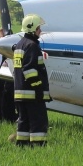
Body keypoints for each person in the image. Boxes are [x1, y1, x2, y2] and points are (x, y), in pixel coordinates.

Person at [12, 14, 50, 146]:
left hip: (20, 93)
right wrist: (39, 89)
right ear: (33, 29)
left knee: (24, 121)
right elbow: (29, 71)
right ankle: (38, 146)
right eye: (38, 28)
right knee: (38, 121)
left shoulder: (19, 45)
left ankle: (22, 145)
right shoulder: (32, 46)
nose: (40, 31)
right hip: (32, 94)